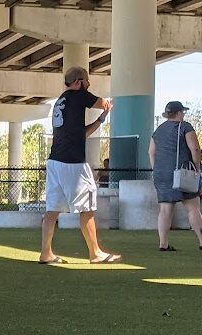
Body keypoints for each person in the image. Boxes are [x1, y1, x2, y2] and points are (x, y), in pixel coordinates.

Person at [40, 66, 120, 265]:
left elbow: (80, 134)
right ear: (78, 82)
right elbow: (102, 102)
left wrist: (101, 120)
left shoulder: (61, 101)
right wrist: (110, 104)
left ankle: (46, 253)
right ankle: (95, 253)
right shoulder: (79, 95)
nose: (89, 84)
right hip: (73, 163)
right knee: (87, 208)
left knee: (52, 210)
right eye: (86, 80)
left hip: (55, 161)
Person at [148, 101, 202, 252]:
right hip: (182, 172)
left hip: (161, 174)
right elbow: (195, 149)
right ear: (178, 113)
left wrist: (157, 169)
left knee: (165, 209)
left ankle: (163, 243)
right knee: (192, 207)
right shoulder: (185, 127)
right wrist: (196, 168)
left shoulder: (158, 130)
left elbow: (151, 152)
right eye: (182, 112)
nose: (183, 114)